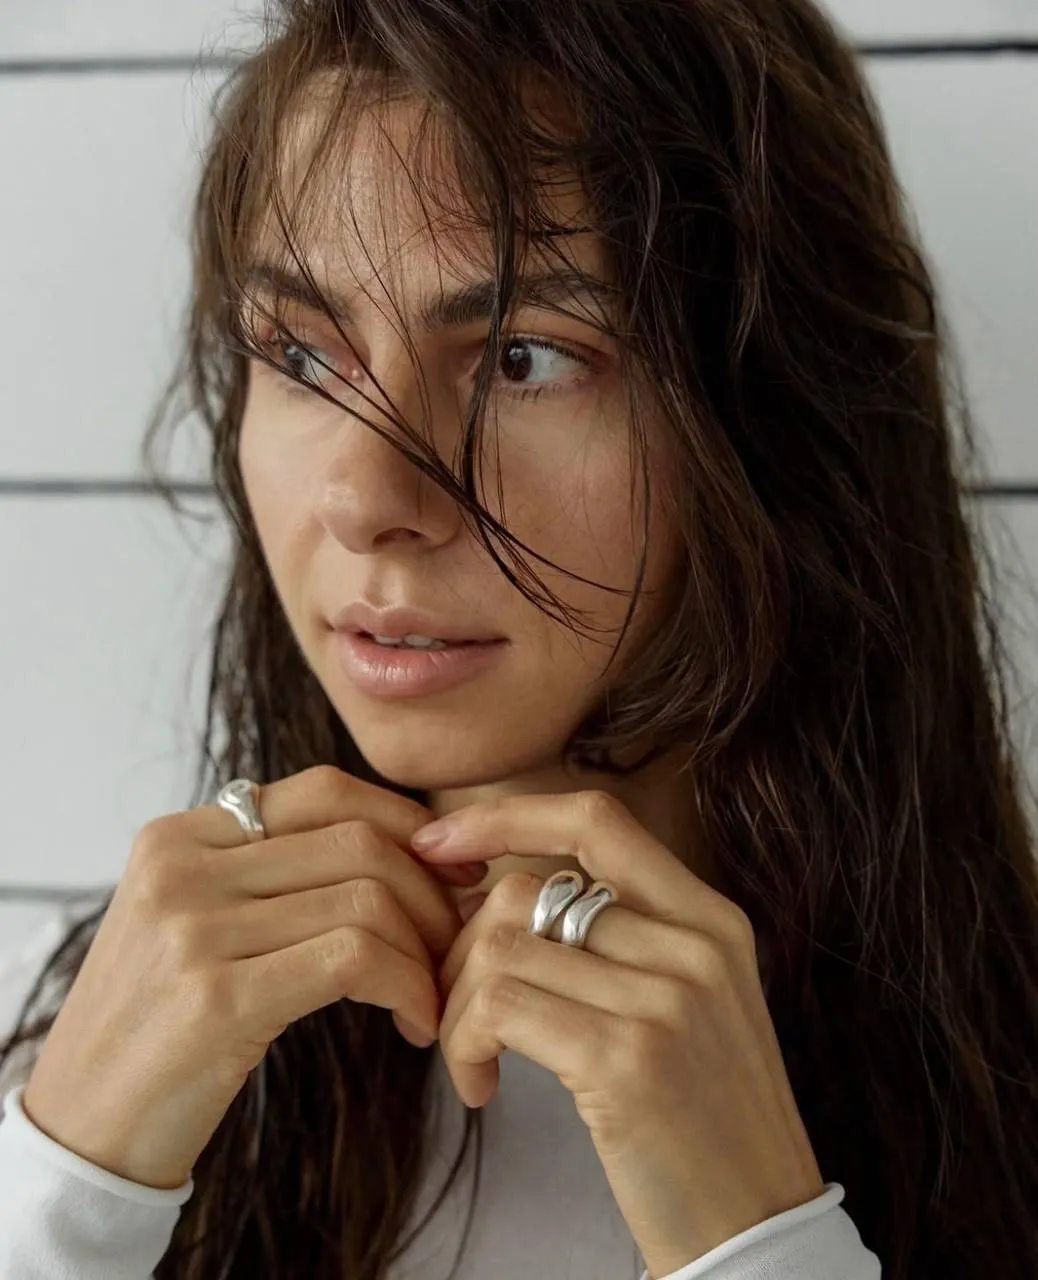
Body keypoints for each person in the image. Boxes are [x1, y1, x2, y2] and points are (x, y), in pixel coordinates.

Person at [1, 0, 1037, 1276]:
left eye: (523, 359)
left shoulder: (1001, 1076)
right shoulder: (85, 1034)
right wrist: (64, 1194)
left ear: (775, 422)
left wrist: (767, 1241)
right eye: (302, 357)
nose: (364, 498)